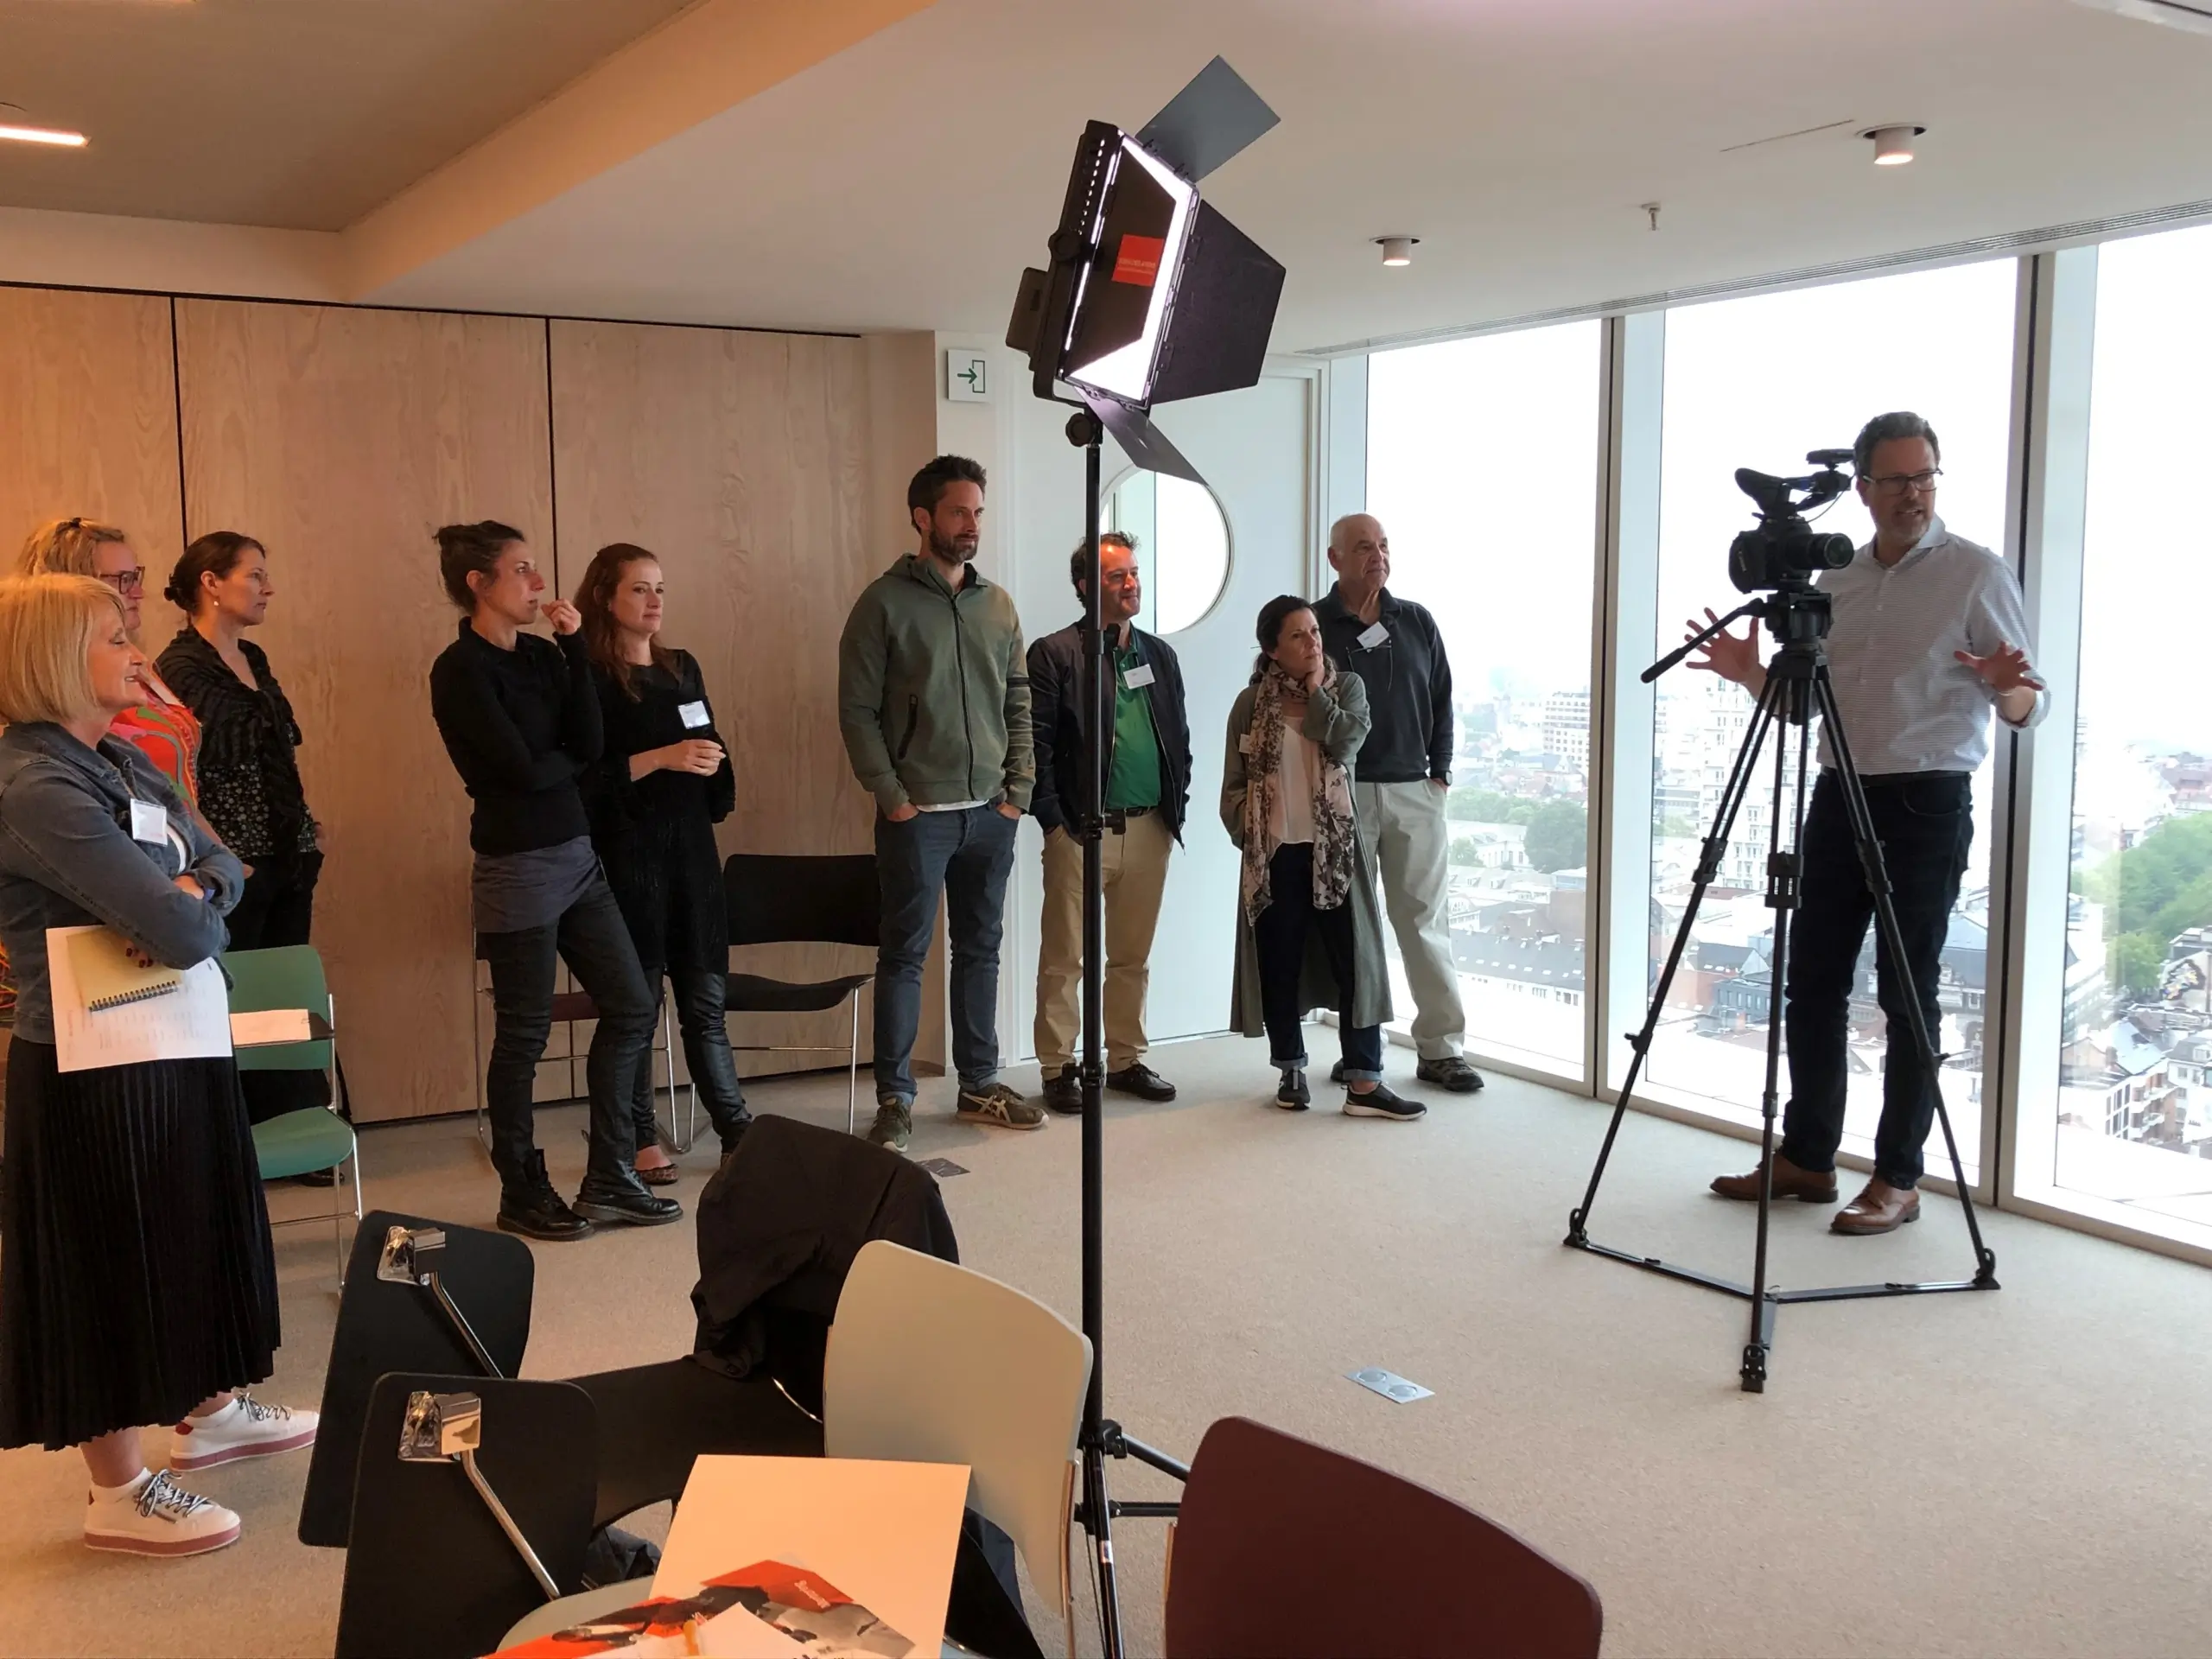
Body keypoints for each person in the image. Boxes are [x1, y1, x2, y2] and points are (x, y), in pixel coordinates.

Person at [0, 573, 316, 1559]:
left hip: (169, 1035)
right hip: (90, 1069)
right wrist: (186, 896)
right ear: (54, 658)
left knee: (189, 1226)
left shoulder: (123, 763)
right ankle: (116, 1488)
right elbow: (183, 927)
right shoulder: (36, 784)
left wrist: (189, 882)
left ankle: (209, 1408)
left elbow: (223, 864)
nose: (134, 653)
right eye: (112, 635)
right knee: (106, 1259)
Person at [1690, 410, 2046, 1234]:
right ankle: (1810, 1158)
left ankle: (1898, 1177)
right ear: (1863, 489)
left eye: (1925, 477)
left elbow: (2032, 705)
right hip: (1835, 791)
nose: (1914, 494)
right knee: (1809, 980)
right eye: (1897, 480)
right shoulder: (1836, 581)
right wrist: (1752, 677)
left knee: (1905, 991)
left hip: (1925, 800)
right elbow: (1804, 708)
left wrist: (2003, 685)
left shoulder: (1976, 574)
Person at [428, 521, 678, 1240]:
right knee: (525, 1035)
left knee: (633, 1005)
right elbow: (515, 771)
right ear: (480, 584)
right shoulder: (461, 669)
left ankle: (609, 1177)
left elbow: (591, 745)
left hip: (576, 856)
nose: (540, 584)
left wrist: (572, 651)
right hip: (517, 868)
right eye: (524, 571)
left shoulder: (544, 655)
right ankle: (523, 1188)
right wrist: (562, 759)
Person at [836, 455, 1039, 1153]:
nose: (971, 525)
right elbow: (857, 712)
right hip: (917, 816)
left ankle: (979, 1082)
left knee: (981, 950)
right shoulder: (882, 603)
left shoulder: (999, 605)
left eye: (978, 512)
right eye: (958, 512)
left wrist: (1020, 791)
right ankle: (895, 1098)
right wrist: (892, 798)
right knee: (904, 955)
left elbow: (1018, 699)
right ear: (923, 518)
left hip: (991, 813)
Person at [574, 542, 755, 1179]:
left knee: (706, 1004)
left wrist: (712, 759)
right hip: (630, 864)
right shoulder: (590, 677)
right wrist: (661, 758)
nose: (654, 602)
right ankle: (638, 1137)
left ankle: (737, 1129)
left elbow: (705, 738)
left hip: (693, 862)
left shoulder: (681, 667)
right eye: (639, 589)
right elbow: (586, 781)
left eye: (659, 589)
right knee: (638, 1011)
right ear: (605, 596)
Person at [1222, 594, 1421, 1122]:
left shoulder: (1344, 688)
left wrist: (1315, 693)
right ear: (1271, 649)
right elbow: (1233, 786)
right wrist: (1252, 824)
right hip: (1275, 856)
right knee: (1279, 965)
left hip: (1336, 854)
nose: (1313, 642)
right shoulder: (1249, 704)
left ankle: (1363, 1081)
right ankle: (1290, 1068)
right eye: (1298, 636)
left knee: (1354, 963)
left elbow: (1347, 741)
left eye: (1315, 632)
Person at [156, 531, 327, 1125]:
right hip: (235, 861)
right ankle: (244, 1128)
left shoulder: (253, 658)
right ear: (211, 583)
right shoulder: (177, 667)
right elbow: (185, 771)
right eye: (254, 575)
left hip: (288, 852)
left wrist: (306, 826)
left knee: (283, 988)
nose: (267, 587)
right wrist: (226, 855)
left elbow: (275, 748)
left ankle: (298, 1116)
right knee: (238, 991)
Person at [1313, 514, 1484, 1094]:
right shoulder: (1315, 625)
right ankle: (1361, 1050)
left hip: (1416, 790)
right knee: (1352, 927)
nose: (1377, 556)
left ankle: (1441, 1049)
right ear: (1336, 559)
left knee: (1424, 921)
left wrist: (1440, 773)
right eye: (1364, 548)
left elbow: (1442, 696)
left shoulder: (1416, 621)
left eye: (1383, 546)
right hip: (1344, 791)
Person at [1027, 532, 1192, 1113]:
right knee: (1065, 955)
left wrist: (1177, 808)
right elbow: (1036, 745)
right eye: (1118, 576)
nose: (1131, 585)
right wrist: (1051, 820)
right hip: (1079, 830)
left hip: (1149, 829)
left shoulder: (1158, 656)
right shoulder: (1055, 654)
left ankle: (1124, 1059)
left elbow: (1178, 738)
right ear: (1084, 587)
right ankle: (1057, 1066)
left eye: (1134, 573)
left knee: (1131, 956)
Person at [16, 517, 200, 798]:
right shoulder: (55, 691)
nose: (139, 592)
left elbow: (178, 801)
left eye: (136, 577)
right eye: (123, 580)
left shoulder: (139, 665)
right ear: (72, 585)